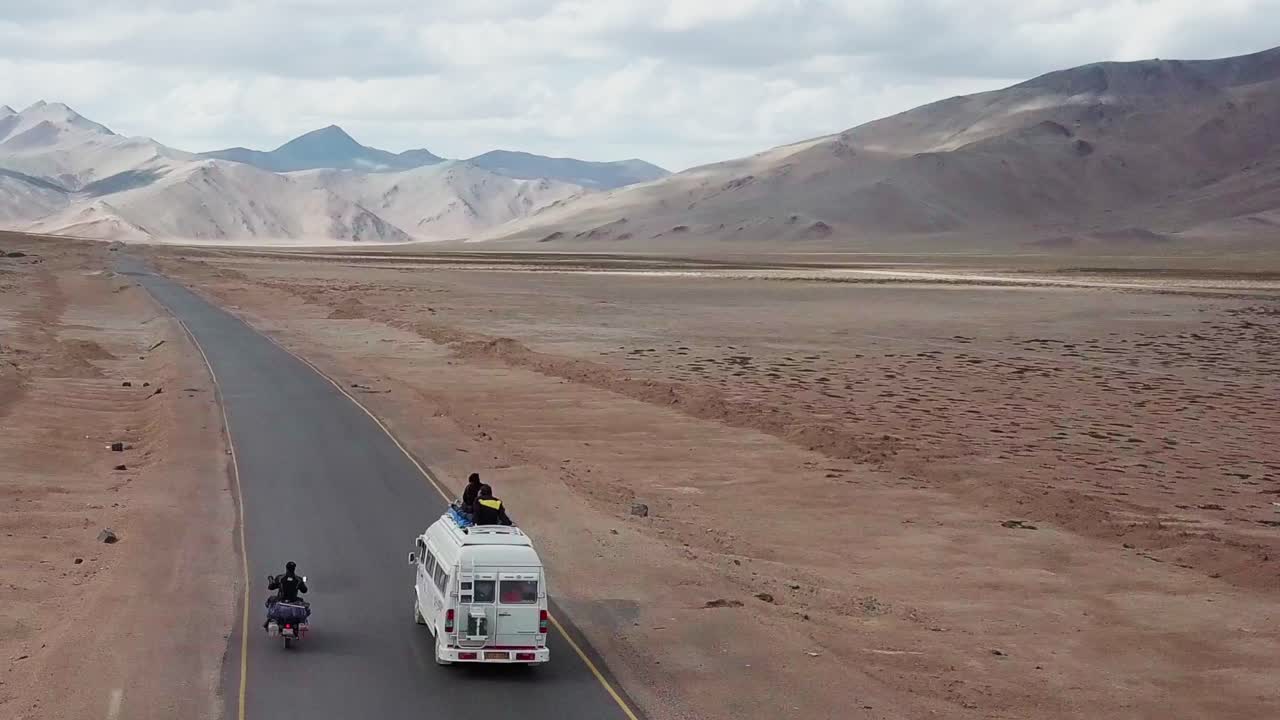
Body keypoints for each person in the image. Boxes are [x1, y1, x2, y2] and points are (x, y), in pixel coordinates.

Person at [264, 561, 309, 629]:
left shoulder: (280, 578)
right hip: (294, 602)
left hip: (281, 601)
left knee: (270, 600)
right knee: (304, 604)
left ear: (286, 568)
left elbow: (271, 587)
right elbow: (304, 590)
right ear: (294, 569)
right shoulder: (299, 580)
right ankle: (302, 623)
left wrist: (270, 579)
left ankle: (268, 620)